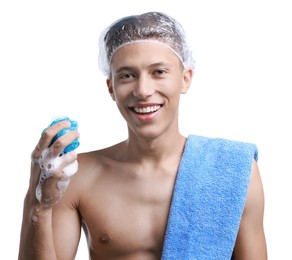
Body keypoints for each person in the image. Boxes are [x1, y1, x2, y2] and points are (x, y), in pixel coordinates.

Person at [18, 11, 267, 259]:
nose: (143, 90)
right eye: (127, 75)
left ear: (185, 78)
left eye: (158, 72)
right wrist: (38, 205)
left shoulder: (232, 170)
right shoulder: (77, 176)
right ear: (111, 87)